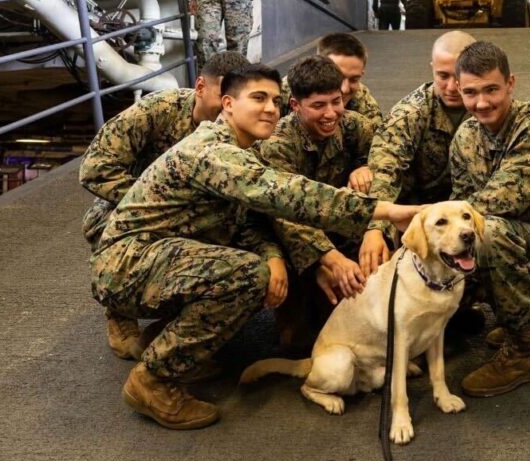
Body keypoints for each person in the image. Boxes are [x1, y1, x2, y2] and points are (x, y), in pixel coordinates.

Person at [91, 64, 419, 430]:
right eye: (258, 98)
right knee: (246, 276)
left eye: (275, 101)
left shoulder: (243, 148)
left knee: (261, 267)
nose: (270, 109)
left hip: (165, 254)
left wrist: (274, 255)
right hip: (128, 263)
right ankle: (151, 380)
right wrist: (385, 211)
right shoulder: (212, 152)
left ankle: (171, 343)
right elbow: (287, 194)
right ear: (228, 104)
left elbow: (248, 218)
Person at [80, 51, 249, 359]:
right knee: (103, 225)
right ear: (200, 87)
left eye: (237, 96)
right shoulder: (157, 110)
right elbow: (96, 168)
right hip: (132, 209)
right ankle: (119, 309)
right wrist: (151, 203)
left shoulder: (244, 127)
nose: (229, 105)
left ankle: (179, 310)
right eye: (222, 94)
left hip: (199, 213)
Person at [449, 41, 530, 397]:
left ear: (510, 83)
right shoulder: (464, 137)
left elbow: (504, 198)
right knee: (456, 236)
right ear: (459, 90)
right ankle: (508, 314)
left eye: (492, 89)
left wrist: (429, 218)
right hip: (511, 240)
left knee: (486, 232)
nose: (482, 103)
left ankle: (524, 352)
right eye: (471, 92)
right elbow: (460, 201)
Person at [258, 56, 375, 346]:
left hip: (339, 231)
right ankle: (299, 301)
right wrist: (328, 259)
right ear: (296, 106)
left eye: (336, 101)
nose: (331, 113)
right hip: (295, 242)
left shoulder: (355, 128)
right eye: (318, 105)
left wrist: (367, 166)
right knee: (297, 343)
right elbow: (284, 213)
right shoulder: (279, 144)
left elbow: (387, 163)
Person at [356, 30, 476, 275]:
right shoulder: (410, 113)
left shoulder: (486, 108)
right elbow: (385, 170)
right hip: (412, 208)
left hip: (466, 206)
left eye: (458, 77)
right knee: (373, 231)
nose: (451, 86)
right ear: (432, 67)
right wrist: (374, 229)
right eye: (442, 76)